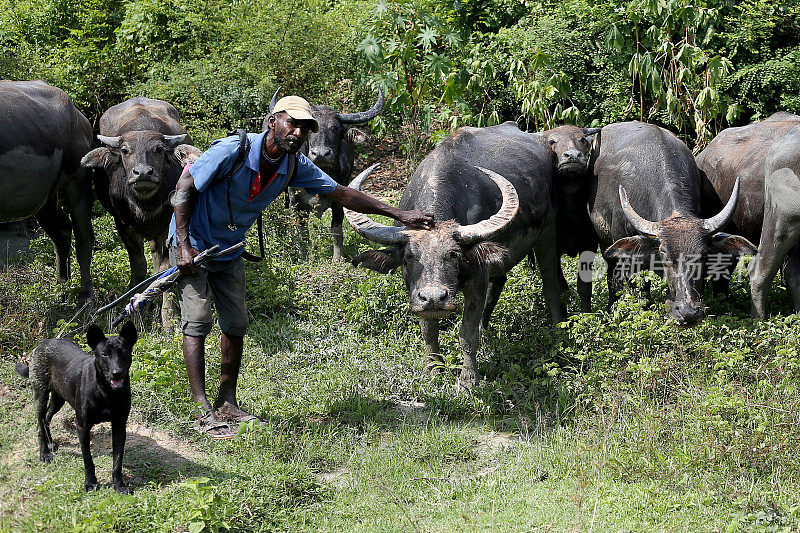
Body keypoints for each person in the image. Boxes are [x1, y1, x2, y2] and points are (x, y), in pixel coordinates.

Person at [168, 95, 433, 437]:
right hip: (194, 245)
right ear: (272, 122)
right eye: (291, 123)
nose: (297, 133)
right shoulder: (232, 150)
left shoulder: (294, 164)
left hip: (229, 249)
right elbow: (182, 191)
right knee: (198, 320)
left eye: (305, 128)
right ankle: (202, 409)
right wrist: (184, 246)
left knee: (235, 325)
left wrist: (400, 214)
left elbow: (341, 194)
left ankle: (227, 402)